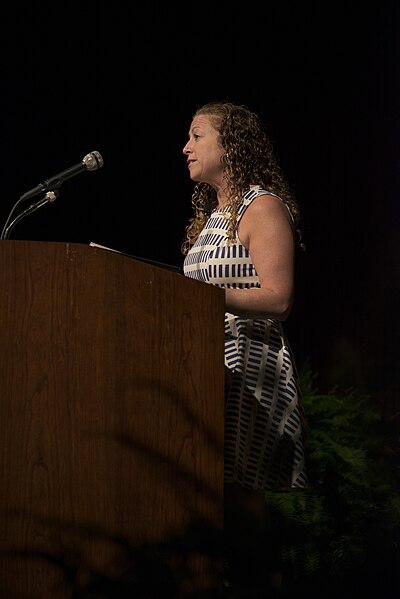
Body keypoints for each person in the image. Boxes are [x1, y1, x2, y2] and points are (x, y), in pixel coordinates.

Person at [181, 101, 309, 597]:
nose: (185, 147)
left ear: (230, 144)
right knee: (212, 498)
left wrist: (199, 297)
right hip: (207, 366)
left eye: (196, 136)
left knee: (241, 505)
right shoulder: (212, 218)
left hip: (250, 368)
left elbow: (278, 298)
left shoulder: (262, 207)